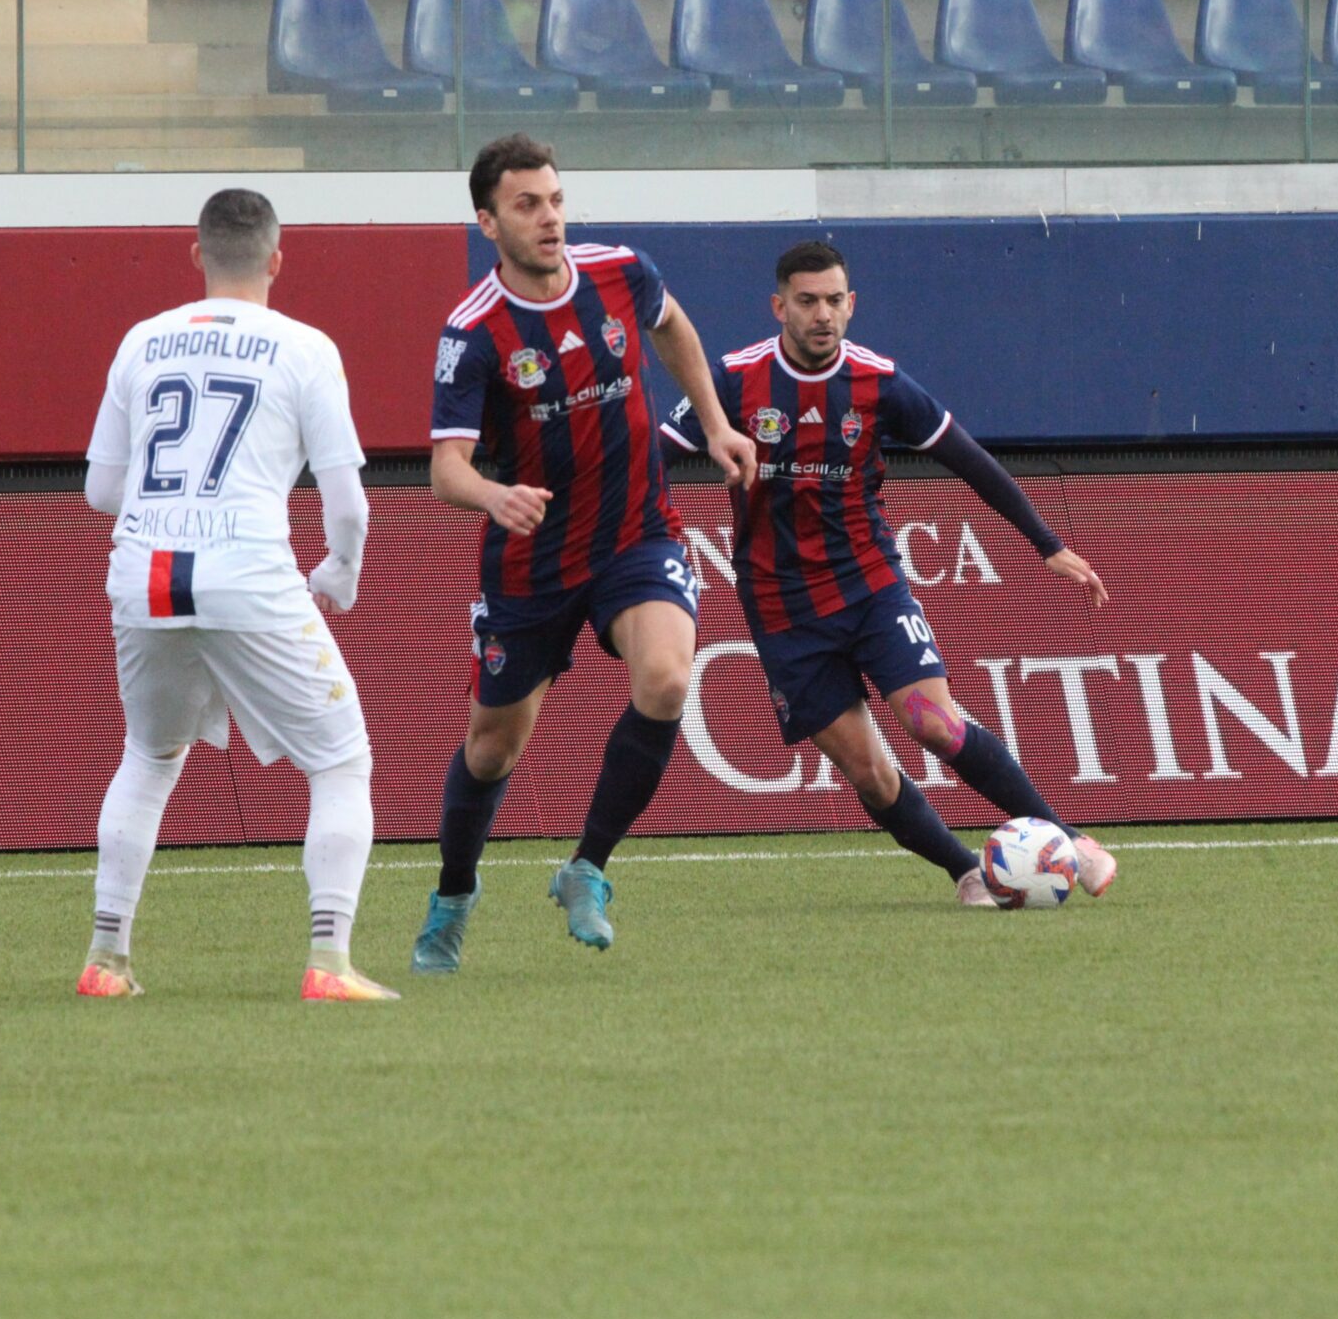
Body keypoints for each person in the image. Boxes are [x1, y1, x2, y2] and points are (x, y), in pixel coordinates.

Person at [660, 241, 1116, 905]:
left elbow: (969, 460)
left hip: (870, 584)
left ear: (852, 304)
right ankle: (967, 871)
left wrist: (1046, 543)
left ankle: (1070, 840)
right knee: (869, 772)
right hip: (781, 606)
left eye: (834, 300)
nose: (822, 314)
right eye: (807, 301)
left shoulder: (879, 383)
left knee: (934, 723)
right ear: (779, 306)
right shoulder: (733, 380)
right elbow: (652, 457)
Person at [413, 134, 756, 965]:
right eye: (527, 205)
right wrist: (494, 495)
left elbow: (673, 326)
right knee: (492, 747)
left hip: (637, 533)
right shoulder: (474, 331)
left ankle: (587, 867)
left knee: (667, 679)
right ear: (489, 222)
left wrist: (714, 423)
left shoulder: (621, 271)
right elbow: (445, 468)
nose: (550, 218)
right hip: (532, 561)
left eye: (556, 200)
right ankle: (453, 894)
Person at [78, 189, 392, 1003]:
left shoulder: (142, 339)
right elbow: (348, 503)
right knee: (341, 758)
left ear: (197, 255)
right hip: (247, 572)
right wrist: (342, 570)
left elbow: (101, 489)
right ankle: (329, 959)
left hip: (144, 573)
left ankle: (106, 956)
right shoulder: (305, 347)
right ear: (277, 259)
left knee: (148, 755)